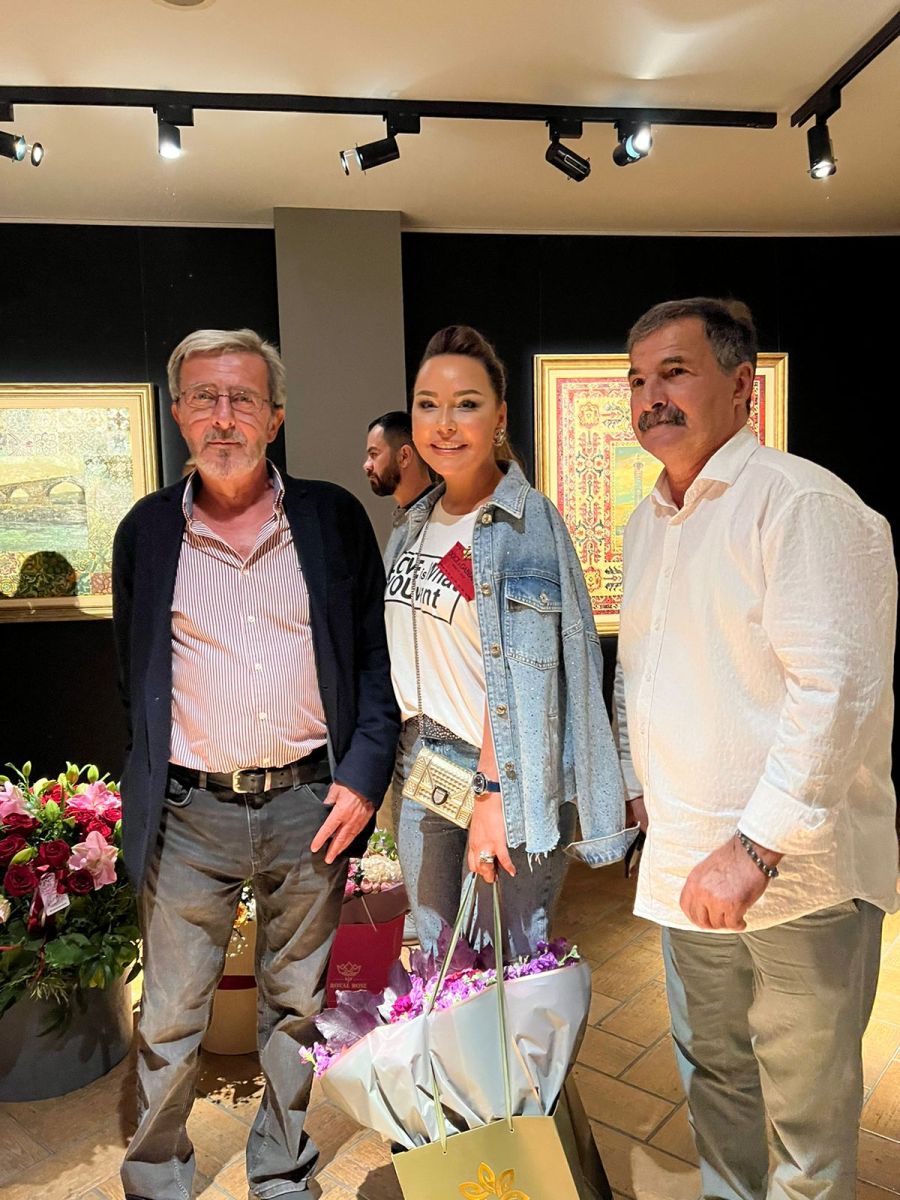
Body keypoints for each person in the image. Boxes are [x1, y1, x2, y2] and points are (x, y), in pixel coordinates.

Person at [616, 297, 898, 1200]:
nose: (651, 396)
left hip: (793, 878)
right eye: (638, 380)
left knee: (805, 1121)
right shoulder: (649, 521)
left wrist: (756, 848)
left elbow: (838, 689)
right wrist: (636, 786)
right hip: (684, 867)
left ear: (742, 386)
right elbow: (640, 672)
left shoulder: (802, 502)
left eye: (675, 372)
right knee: (717, 1081)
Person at [112, 328, 398, 1200]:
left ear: (275, 417)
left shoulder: (331, 520)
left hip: (310, 805)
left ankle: (279, 1168)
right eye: (205, 397)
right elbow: (135, 675)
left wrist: (363, 776)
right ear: (178, 414)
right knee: (170, 1014)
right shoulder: (147, 532)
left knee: (296, 1007)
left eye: (242, 398)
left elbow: (374, 663)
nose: (223, 416)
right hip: (189, 813)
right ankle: (157, 1176)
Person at [385, 324, 634, 956]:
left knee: (509, 961)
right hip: (423, 765)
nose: (445, 424)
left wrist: (494, 793)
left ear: (499, 417)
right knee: (439, 961)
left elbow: (539, 669)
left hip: (505, 772)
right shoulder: (411, 526)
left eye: (466, 404)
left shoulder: (528, 521)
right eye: (428, 405)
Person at [363, 409, 434, 516]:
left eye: (374, 454)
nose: (366, 465)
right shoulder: (406, 516)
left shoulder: (446, 516)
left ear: (404, 456)